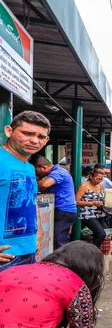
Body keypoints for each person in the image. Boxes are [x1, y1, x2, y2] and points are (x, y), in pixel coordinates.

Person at [0, 111, 49, 273]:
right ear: (9, 131)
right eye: (27, 133)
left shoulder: (29, 168)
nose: (34, 140)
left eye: (41, 137)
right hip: (5, 257)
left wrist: (39, 232)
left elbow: (30, 200)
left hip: (29, 252)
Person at [31, 154, 77, 250]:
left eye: (36, 171)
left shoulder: (58, 172)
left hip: (64, 210)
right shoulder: (57, 172)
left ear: (43, 167)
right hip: (63, 210)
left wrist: (33, 181)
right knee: (57, 238)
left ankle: (61, 263)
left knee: (58, 240)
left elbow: (44, 184)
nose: (37, 173)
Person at [76, 168, 108, 248]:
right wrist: (92, 203)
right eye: (97, 179)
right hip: (87, 214)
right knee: (101, 234)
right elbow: (77, 201)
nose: (99, 181)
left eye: (101, 179)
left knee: (98, 234)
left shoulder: (100, 186)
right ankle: (93, 252)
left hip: (99, 214)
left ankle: (92, 251)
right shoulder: (84, 186)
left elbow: (103, 197)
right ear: (91, 176)